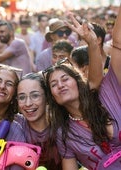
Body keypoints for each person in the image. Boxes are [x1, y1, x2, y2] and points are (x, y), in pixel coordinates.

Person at [43, 7, 121, 170]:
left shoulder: (107, 93)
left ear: (78, 82)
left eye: (65, 79)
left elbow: (118, 42)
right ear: (52, 96)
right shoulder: (64, 133)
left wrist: (92, 42)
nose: (60, 85)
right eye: (54, 84)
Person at [0, 72, 62, 169]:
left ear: (47, 97)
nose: (28, 103)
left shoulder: (61, 128)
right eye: (22, 97)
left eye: (35, 96)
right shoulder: (17, 125)